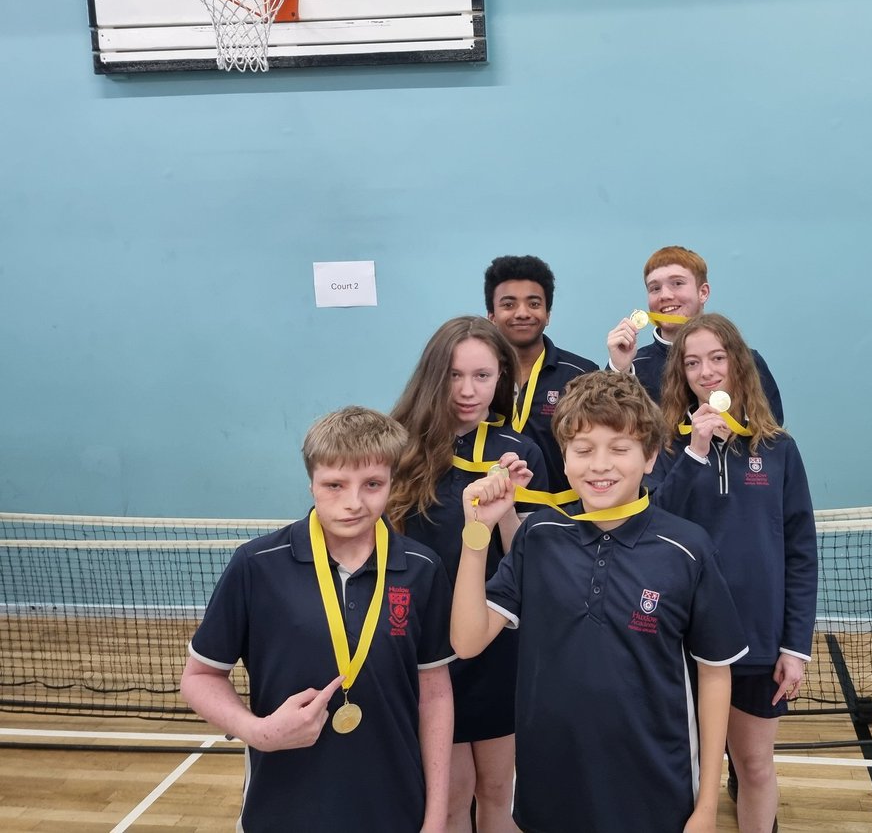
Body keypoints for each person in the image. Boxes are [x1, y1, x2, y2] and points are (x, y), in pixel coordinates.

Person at [452, 370, 748, 833]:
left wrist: (707, 805)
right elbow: (467, 642)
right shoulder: (539, 536)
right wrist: (478, 533)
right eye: (584, 450)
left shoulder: (687, 548)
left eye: (620, 449)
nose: (600, 465)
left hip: (656, 789)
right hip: (549, 787)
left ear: (650, 457)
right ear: (565, 459)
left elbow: (714, 676)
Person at [180, 406, 455, 832]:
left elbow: (435, 695)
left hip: (393, 807)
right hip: (284, 808)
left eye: (372, 485)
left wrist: (436, 817)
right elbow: (199, 677)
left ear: (391, 483)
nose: (353, 503)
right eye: (334, 485)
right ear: (311, 482)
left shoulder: (422, 567)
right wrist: (258, 731)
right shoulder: (256, 565)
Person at [650, 314, 818, 833]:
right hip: (682, 641)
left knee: (754, 765)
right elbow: (655, 523)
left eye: (717, 358)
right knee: (688, 772)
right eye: (693, 362)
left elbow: (800, 551)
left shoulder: (779, 449)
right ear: (681, 375)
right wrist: (696, 452)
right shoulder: (667, 449)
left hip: (757, 641)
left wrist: (795, 646)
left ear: (739, 366)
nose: (706, 371)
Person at [388, 317, 548, 833]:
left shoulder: (518, 451)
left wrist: (507, 510)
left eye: (482, 376)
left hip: (497, 640)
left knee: (499, 791)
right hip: (428, 646)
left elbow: (528, 560)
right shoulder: (400, 449)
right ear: (434, 375)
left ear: (501, 374)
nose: (467, 390)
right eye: (455, 376)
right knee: (450, 796)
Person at [604, 245, 785, 422]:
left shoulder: (746, 360)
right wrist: (617, 371)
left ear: (703, 292)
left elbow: (770, 436)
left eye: (677, 283)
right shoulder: (633, 365)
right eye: (655, 288)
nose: (665, 295)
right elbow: (607, 429)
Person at [484, 254, 598, 493]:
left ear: (548, 314)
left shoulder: (582, 376)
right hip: (488, 509)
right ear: (491, 316)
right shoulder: (476, 376)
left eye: (534, 304)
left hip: (562, 516)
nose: (523, 313)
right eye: (508, 304)